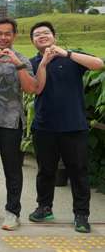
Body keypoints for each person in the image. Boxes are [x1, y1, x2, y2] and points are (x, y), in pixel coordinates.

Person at [28, 21, 103, 233]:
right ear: (33, 41)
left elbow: (98, 64)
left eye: (45, 33)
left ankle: (81, 214)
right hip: (44, 126)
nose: (41, 36)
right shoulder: (33, 62)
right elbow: (35, 88)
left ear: (54, 36)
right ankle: (44, 207)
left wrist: (66, 53)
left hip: (74, 126)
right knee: (45, 171)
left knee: (78, 171)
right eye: (37, 35)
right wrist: (44, 62)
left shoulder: (71, 58)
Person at [0, 18, 36, 231]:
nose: (2, 37)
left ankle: (13, 211)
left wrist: (16, 64)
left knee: (12, 169)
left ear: (14, 36)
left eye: (7, 34)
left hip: (10, 122)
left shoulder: (22, 59)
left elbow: (31, 88)